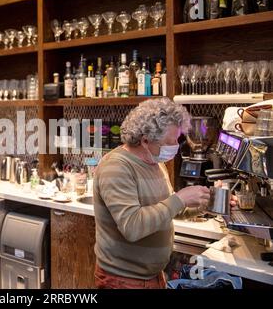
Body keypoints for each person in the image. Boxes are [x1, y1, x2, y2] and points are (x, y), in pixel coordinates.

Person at [93, 98, 236, 289]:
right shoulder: (117, 167)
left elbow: (167, 210)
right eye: (171, 141)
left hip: (153, 276)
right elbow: (132, 226)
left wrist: (204, 204)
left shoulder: (155, 162)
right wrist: (180, 198)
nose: (176, 146)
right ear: (145, 140)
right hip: (123, 280)